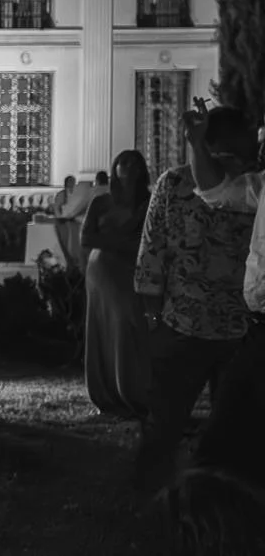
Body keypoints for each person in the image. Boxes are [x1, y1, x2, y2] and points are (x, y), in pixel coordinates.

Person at [133, 105, 255, 494]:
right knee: (179, 423)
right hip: (203, 327)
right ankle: (161, 497)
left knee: (178, 423)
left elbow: (150, 256)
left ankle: (167, 498)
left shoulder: (251, 189)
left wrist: (154, 318)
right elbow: (152, 253)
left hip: (225, 330)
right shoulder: (180, 184)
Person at [80, 149, 151, 419]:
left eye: (134, 162)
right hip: (103, 271)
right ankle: (107, 393)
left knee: (132, 324)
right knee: (107, 325)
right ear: (115, 168)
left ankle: (135, 390)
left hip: (133, 270)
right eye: (123, 162)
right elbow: (87, 238)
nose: (128, 167)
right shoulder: (101, 202)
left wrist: (115, 242)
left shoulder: (148, 201)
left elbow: (150, 239)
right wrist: (124, 244)